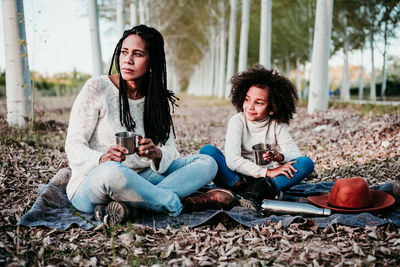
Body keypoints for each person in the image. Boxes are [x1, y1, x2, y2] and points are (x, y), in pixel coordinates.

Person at [65, 25, 234, 226]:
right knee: (113, 172)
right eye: (124, 52)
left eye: (137, 54)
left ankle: (133, 204)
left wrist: (157, 154)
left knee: (207, 163)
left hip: (145, 179)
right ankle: (176, 204)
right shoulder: (98, 88)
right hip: (95, 181)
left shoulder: (157, 99)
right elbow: (73, 145)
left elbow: (171, 150)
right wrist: (101, 158)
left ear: (151, 61)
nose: (127, 60)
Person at [200, 65, 314, 211]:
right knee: (207, 151)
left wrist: (279, 157)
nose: (250, 107)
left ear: (272, 107)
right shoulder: (238, 120)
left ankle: (254, 192)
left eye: (258, 103)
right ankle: (246, 191)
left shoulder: (276, 126)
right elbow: (232, 160)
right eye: (247, 99)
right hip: (235, 179)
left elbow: (296, 156)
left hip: (264, 182)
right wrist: (268, 172)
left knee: (306, 163)